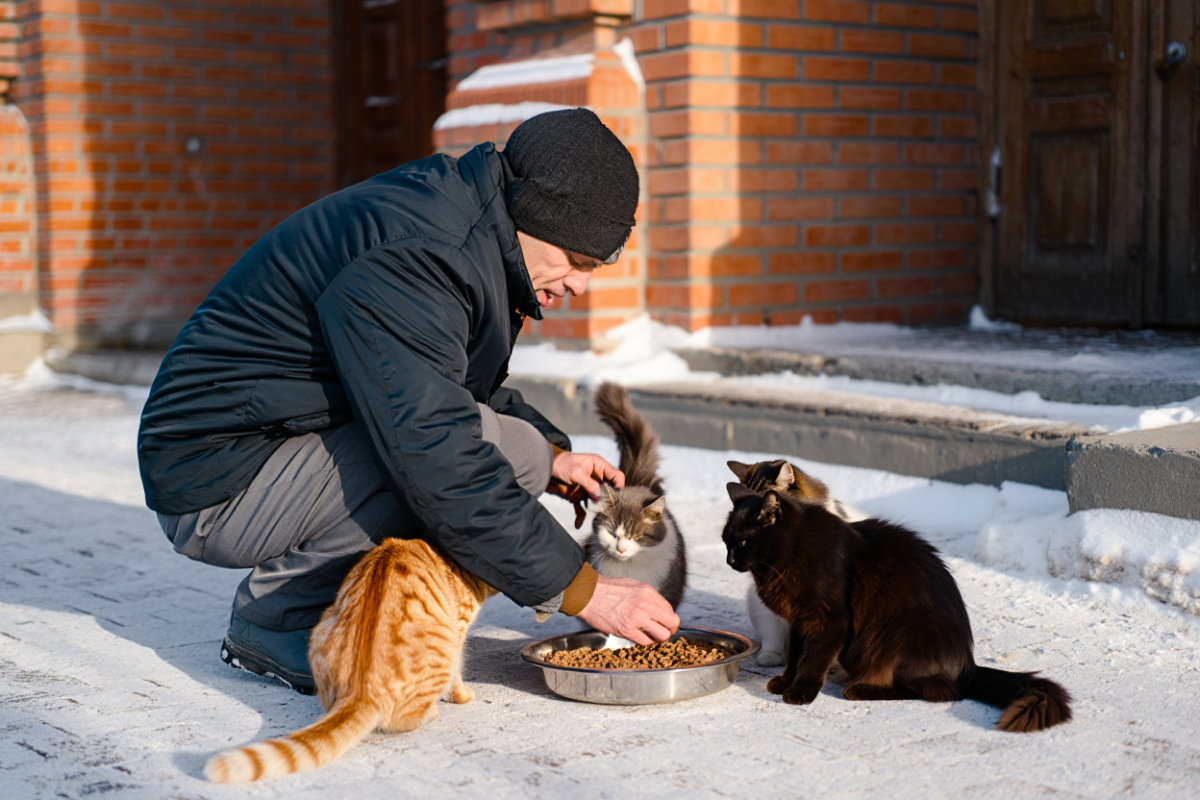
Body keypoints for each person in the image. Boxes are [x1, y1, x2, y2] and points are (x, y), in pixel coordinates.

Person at [137, 108, 681, 694]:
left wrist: (552, 457)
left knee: (516, 452)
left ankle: (323, 600)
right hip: (216, 478)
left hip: (272, 441)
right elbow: (433, 450)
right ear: (538, 216)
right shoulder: (420, 253)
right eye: (579, 262)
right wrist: (583, 589)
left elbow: (445, 383)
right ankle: (276, 618)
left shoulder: (466, 232)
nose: (579, 286)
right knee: (434, 460)